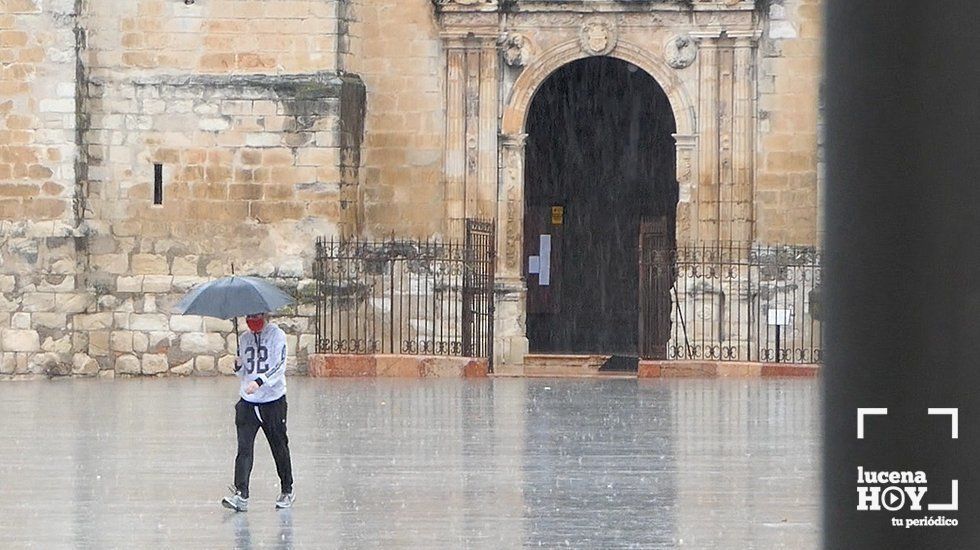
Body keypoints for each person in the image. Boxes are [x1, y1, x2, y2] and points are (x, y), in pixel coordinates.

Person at [221, 312, 294, 511]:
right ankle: (241, 493)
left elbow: (279, 366)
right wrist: (237, 366)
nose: (253, 321)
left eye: (257, 316)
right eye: (249, 317)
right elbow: (243, 371)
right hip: (248, 402)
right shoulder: (243, 339)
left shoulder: (276, 335)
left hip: (273, 401)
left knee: (278, 446)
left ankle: (287, 488)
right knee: (244, 449)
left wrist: (260, 381)